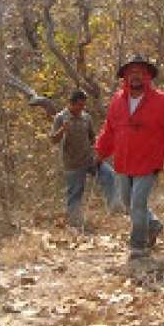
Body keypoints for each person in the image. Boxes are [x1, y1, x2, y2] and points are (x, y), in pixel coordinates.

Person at [95, 54, 164, 259]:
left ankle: (138, 246)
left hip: (148, 161)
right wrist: (100, 151)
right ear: (124, 77)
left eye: (140, 72)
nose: (135, 77)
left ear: (148, 76)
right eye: (131, 72)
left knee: (137, 204)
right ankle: (153, 225)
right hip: (123, 162)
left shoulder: (163, 101)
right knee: (127, 203)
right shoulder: (117, 100)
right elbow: (109, 129)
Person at [51, 90, 116, 229]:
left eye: (83, 105)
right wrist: (63, 129)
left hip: (90, 159)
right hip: (73, 164)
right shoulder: (60, 118)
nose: (82, 108)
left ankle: (115, 208)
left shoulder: (86, 117)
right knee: (75, 193)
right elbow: (53, 140)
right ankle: (75, 224)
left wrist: (98, 152)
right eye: (79, 105)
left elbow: (92, 138)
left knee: (110, 175)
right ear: (71, 104)